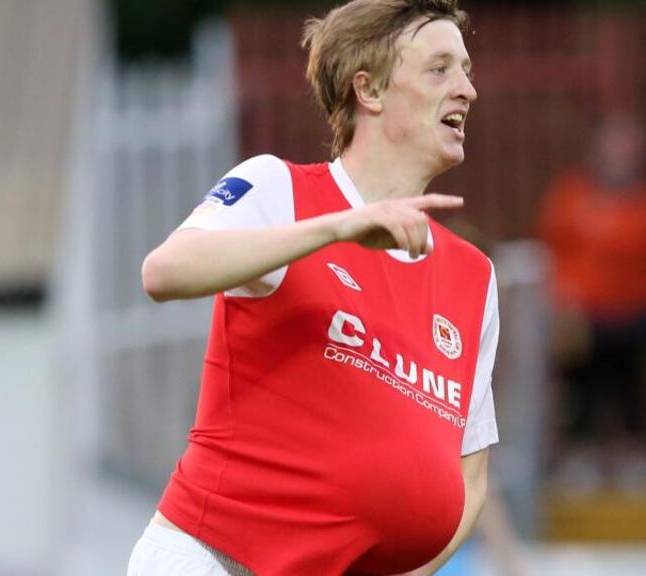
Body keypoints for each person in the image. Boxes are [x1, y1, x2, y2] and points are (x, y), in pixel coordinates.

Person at [128, 1, 500, 575]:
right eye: (440, 69)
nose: (467, 90)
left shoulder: (475, 276)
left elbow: (470, 478)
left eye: (466, 70)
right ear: (369, 91)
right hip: (212, 560)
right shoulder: (278, 189)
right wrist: (337, 228)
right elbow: (164, 272)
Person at [536, 114, 646, 492]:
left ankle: (634, 458)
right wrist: (561, 297)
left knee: (635, 385)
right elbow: (554, 248)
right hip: (585, 314)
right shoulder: (572, 194)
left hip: (638, 312)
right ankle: (580, 459)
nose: (622, 159)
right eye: (614, 150)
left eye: (629, 152)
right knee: (582, 387)